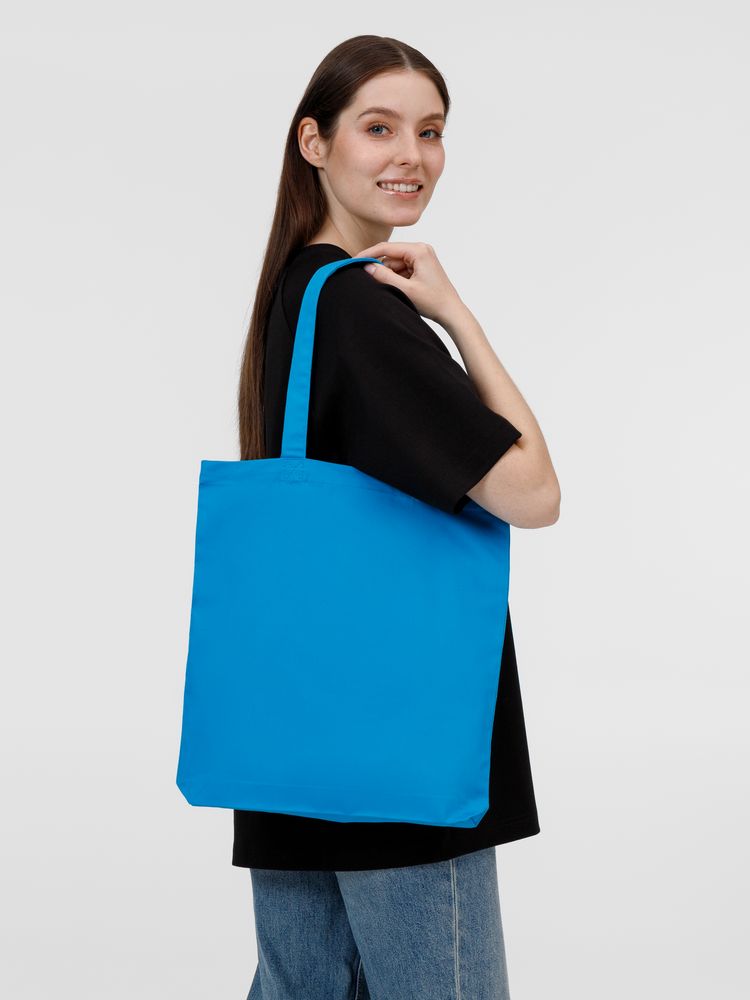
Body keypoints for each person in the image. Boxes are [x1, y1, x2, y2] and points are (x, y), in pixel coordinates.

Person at [235, 34, 560, 1000]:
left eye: (431, 130)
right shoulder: (361, 311)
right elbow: (533, 492)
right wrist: (457, 316)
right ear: (314, 142)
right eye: (378, 128)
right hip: (401, 752)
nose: (411, 156)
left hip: (294, 741)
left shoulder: (294, 294)